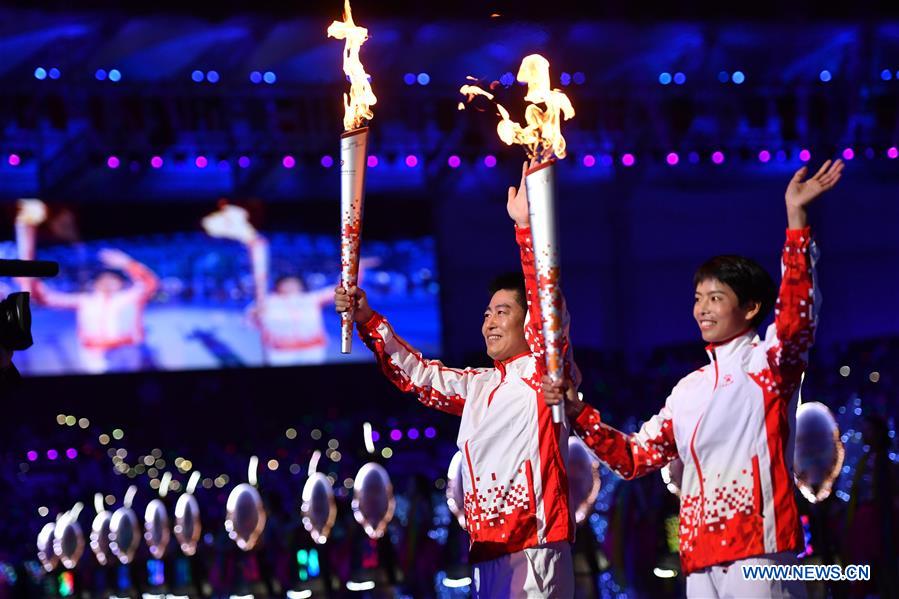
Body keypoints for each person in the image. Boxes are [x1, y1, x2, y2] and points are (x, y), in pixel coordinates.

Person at [544, 160, 844, 598]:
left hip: (759, 552)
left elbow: (798, 317)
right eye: (698, 297)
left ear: (751, 308)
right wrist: (577, 413)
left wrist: (796, 222)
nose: (702, 308)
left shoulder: (769, 365)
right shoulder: (687, 391)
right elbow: (633, 458)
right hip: (698, 560)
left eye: (716, 298)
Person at [335, 163, 579, 597]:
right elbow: (417, 375)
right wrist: (367, 318)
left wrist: (526, 231)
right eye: (486, 314)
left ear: (528, 322)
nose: (488, 322)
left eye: (502, 312)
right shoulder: (480, 386)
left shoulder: (546, 373)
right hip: (487, 550)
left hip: (536, 546)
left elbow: (548, 309)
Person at [203, 204, 368, 366]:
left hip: (312, 351)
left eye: (293, 283)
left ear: (300, 286)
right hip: (280, 353)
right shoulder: (267, 301)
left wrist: (356, 268)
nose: (290, 286)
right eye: (286, 284)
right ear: (278, 286)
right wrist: (254, 316)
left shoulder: (312, 299)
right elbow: (249, 321)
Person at [16, 200, 159, 373]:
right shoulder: (85, 301)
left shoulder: (131, 297)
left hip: (127, 352)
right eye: (102, 278)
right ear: (95, 283)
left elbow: (151, 283)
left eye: (112, 278)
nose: (107, 282)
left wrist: (128, 263)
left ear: (120, 282)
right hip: (93, 355)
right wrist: (28, 277)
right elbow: (44, 298)